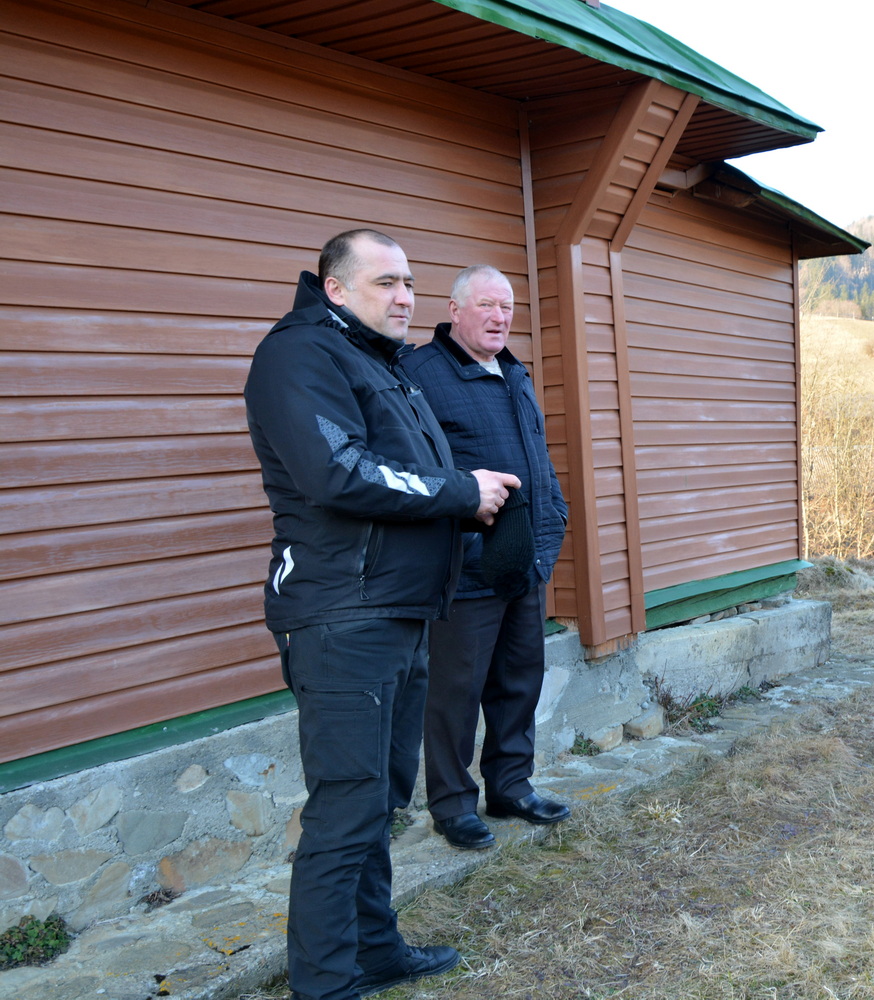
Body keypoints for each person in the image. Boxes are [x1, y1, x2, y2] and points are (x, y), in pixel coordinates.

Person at [244, 229, 516, 1000]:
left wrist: (463, 492)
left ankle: (374, 947)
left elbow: (406, 472)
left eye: (410, 284)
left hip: (395, 611)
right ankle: (325, 983)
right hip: (341, 617)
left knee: (382, 799)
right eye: (386, 283)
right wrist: (462, 493)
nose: (405, 298)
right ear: (335, 289)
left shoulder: (375, 362)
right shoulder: (300, 356)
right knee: (345, 810)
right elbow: (337, 474)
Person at [399, 266, 570, 849]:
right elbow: (414, 470)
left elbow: (537, 458)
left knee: (519, 681)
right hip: (465, 566)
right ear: (454, 309)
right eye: (488, 306)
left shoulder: (515, 372)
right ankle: (451, 805)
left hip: (524, 558)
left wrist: (555, 517)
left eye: (508, 307)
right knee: (456, 693)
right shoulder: (420, 373)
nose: (500, 317)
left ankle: (511, 786)